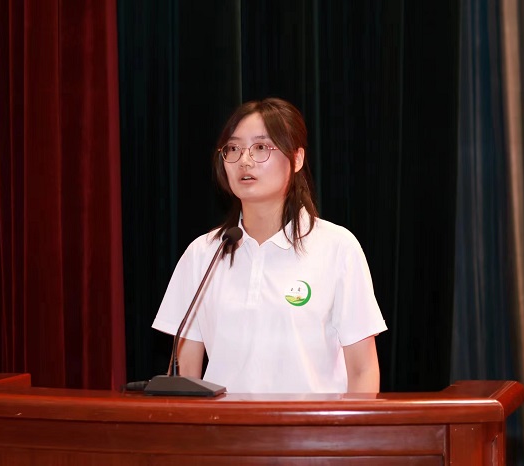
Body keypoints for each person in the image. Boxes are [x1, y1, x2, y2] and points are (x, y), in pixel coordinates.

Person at [152, 97, 387, 393]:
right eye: (233, 149)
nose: (245, 160)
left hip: (310, 424)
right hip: (223, 424)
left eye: (261, 147)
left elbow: (363, 370)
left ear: (297, 159)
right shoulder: (203, 254)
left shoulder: (337, 248)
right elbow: (185, 372)